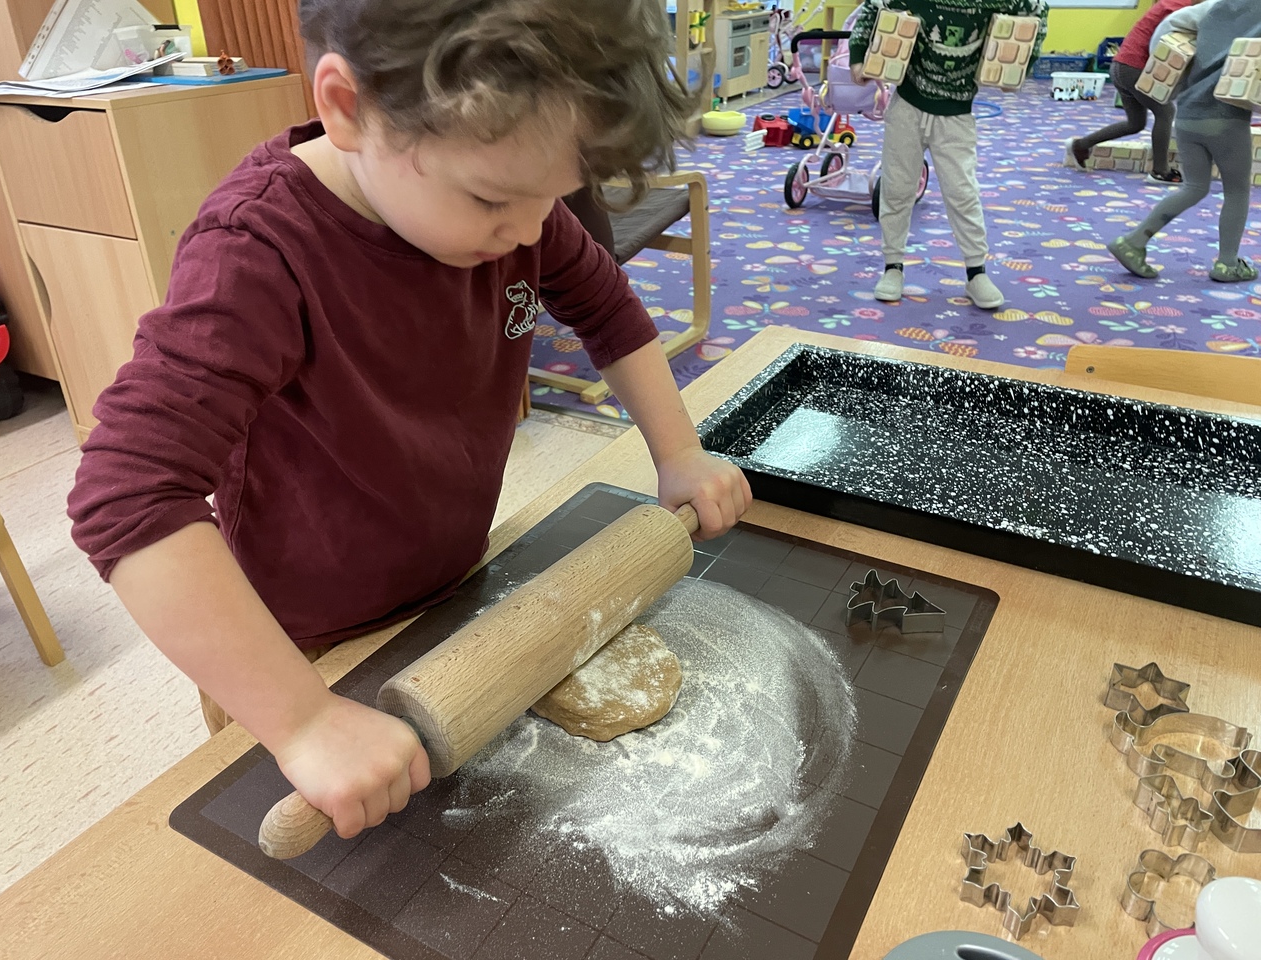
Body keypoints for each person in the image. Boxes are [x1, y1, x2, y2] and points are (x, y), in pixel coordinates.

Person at [66, 0, 751, 844]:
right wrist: (302, 722)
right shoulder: (258, 252)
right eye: (495, 198)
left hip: (449, 595)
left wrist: (679, 452)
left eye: (555, 198)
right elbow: (128, 494)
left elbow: (606, 306)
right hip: (298, 652)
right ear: (348, 109)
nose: (531, 232)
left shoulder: (514, 214)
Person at [849, 0, 1049, 311]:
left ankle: (976, 272)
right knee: (897, 188)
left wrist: (1022, 62)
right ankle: (892, 266)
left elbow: (1037, 9)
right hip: (908, 104)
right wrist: (858, 57)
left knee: (962, 193)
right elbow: (873, 7)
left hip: (957, 112)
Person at [1107, 0, 1261, 282]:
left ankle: (1133, 242)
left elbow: (1168, 27)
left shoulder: (1214, 6)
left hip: (1188, 112)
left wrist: (1177, 77)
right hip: (1227, 116)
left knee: (1194, 187)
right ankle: (1228, 263)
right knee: (1237, 192)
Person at [1069, 0, 1210, 185]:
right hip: (1135, 67)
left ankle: (1081, 145)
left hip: (1121, 65)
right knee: (1165, 111)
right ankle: (1160, 171)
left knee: (1135, 123)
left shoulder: (1170, 3)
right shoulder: (1180, 8)